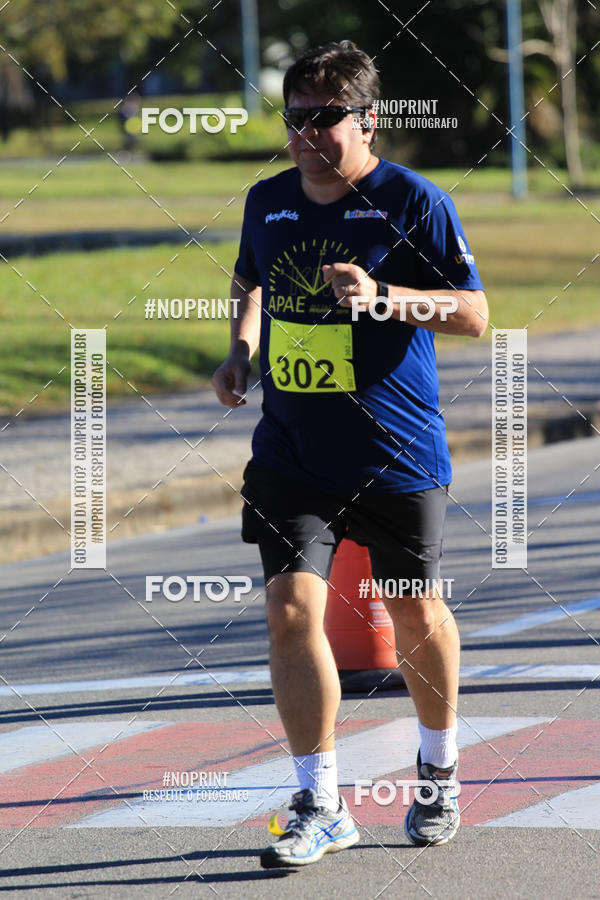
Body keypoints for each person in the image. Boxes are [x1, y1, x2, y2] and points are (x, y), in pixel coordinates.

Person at [211, 39, 488, 867]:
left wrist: (388, 298)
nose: (306, 132)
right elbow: (250, 278)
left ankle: (436, 772)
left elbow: (474, 315)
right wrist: (240, 350)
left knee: (412, 614)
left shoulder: (412, 201)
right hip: (292, 453)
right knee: (291, 612)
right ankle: (319, 800)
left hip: (395, 454)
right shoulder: (267, 201)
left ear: (368, 120)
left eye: (325, 117)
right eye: (295, 117)